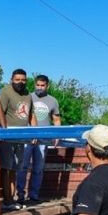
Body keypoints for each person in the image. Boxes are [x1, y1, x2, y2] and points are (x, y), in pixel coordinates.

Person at [18, 74, 61, 205]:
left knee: (38, 168)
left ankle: (34, 196)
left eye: (42, 85)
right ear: (34, 84)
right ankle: (20, 195)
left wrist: (57, 135)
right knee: (22, 166)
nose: (40, 87)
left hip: (44, 138)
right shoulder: (28, 97)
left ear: (47, 86)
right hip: (28, 137)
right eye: (37, 85)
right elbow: (21, 114)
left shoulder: (53, 100)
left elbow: (57, 119)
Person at [0, 68, 34, 210]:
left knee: (16, 168)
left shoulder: (28, 94)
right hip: (7, 137)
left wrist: (35, 133)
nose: (20, 82)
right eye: (17, 80)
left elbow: (31, 115)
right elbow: (0, 112)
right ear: (11, 80)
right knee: (6, 167)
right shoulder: (5, 92)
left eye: (23, 80)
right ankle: (6, 199)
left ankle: (12, 199)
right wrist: (3, 133)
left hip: (22, 137)